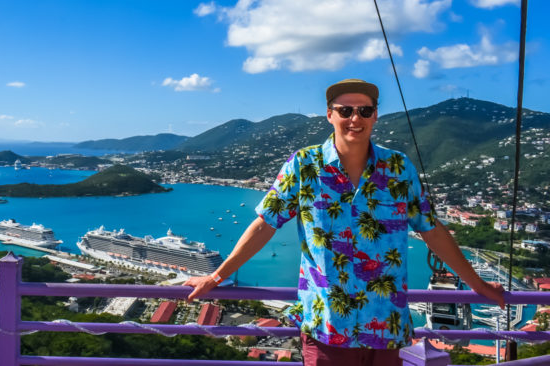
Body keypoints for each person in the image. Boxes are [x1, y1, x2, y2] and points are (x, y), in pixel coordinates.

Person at [185, 78, 505, 365]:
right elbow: (265, 224)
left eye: (365, 111)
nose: (355, 119)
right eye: (345, 110)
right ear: (330, 114)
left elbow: (432, 230)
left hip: (386, 326)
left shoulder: (398, 168)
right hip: (328, 329)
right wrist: (216, 276)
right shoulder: (303, 166)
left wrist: (477, 285)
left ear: (375, 116)